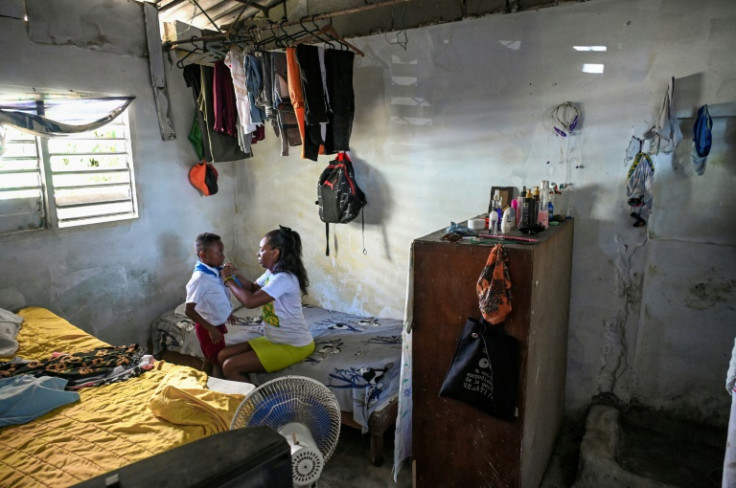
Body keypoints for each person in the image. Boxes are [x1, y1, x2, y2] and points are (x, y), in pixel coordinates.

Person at [218, 226, 314, 382]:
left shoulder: (284, 278)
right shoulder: (273, 272)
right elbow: (253, 288)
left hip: (293, 345)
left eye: (262, 250)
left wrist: (228, 280)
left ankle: (256, 405)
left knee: (230, 366)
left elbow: (250, 301)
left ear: (275, 253)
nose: (258, 254)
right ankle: (230, 394)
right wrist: (237, 274)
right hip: (274, 338)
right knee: (222, 355)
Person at [184, 232, 236, 378]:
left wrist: (228, 313)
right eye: (219, 253)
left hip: (216, 325)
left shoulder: (215, 272)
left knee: (210, 357)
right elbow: (189, 310)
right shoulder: (200, 278)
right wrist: (211, 329)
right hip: (208, 328)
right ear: (203, 255)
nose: (223, 256)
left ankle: (200, 381)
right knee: (217, 361)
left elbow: (219, 297)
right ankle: (217, 393)